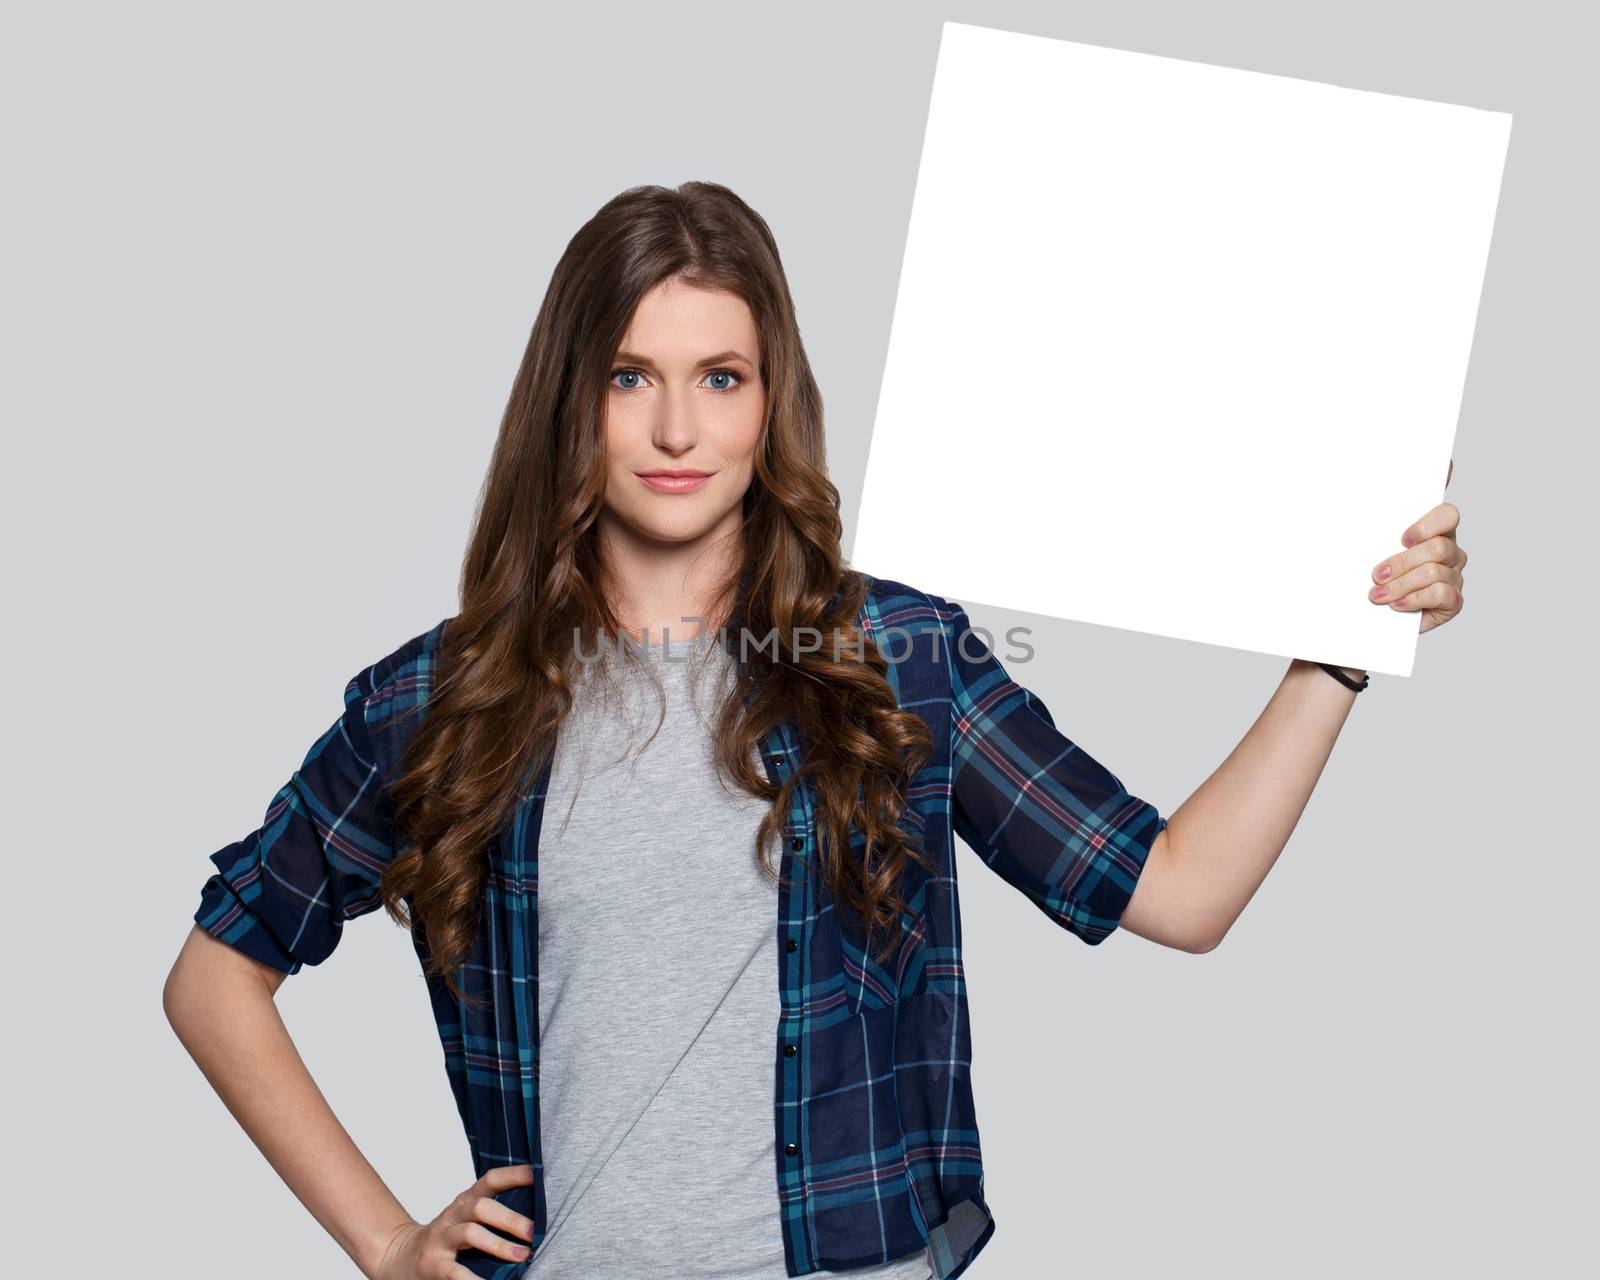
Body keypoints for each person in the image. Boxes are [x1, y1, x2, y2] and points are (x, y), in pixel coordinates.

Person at [162, 181, 1469, 1280]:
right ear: (573, 400)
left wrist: (1336, 656)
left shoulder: (893, 659)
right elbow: (216, 977)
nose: (678, 428)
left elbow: (1178, 894)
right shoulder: (443, 700)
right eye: (632, 377)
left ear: (769, 397)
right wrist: (388, 1243)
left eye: (719, 377)